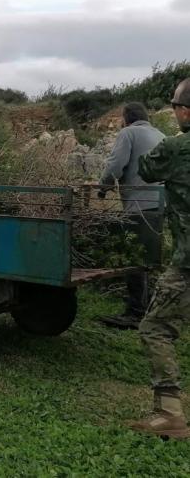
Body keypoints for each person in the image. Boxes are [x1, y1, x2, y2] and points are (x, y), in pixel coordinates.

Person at [130, 78, 190, 439]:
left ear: (184, 112)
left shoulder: (177, 147)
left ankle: (169, 413)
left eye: (177, 108)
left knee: (154, 328)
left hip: (188, 261)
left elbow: (147, 170)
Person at [97, 102, 165, 329]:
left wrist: (103, 187)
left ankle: (135, 314)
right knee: (147, 258)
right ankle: (149, 309)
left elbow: (115, 166)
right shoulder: (161, 135)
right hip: (160, 204)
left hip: (139, 205)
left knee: (133, 257)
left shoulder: (128, 133)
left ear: (126, 118)